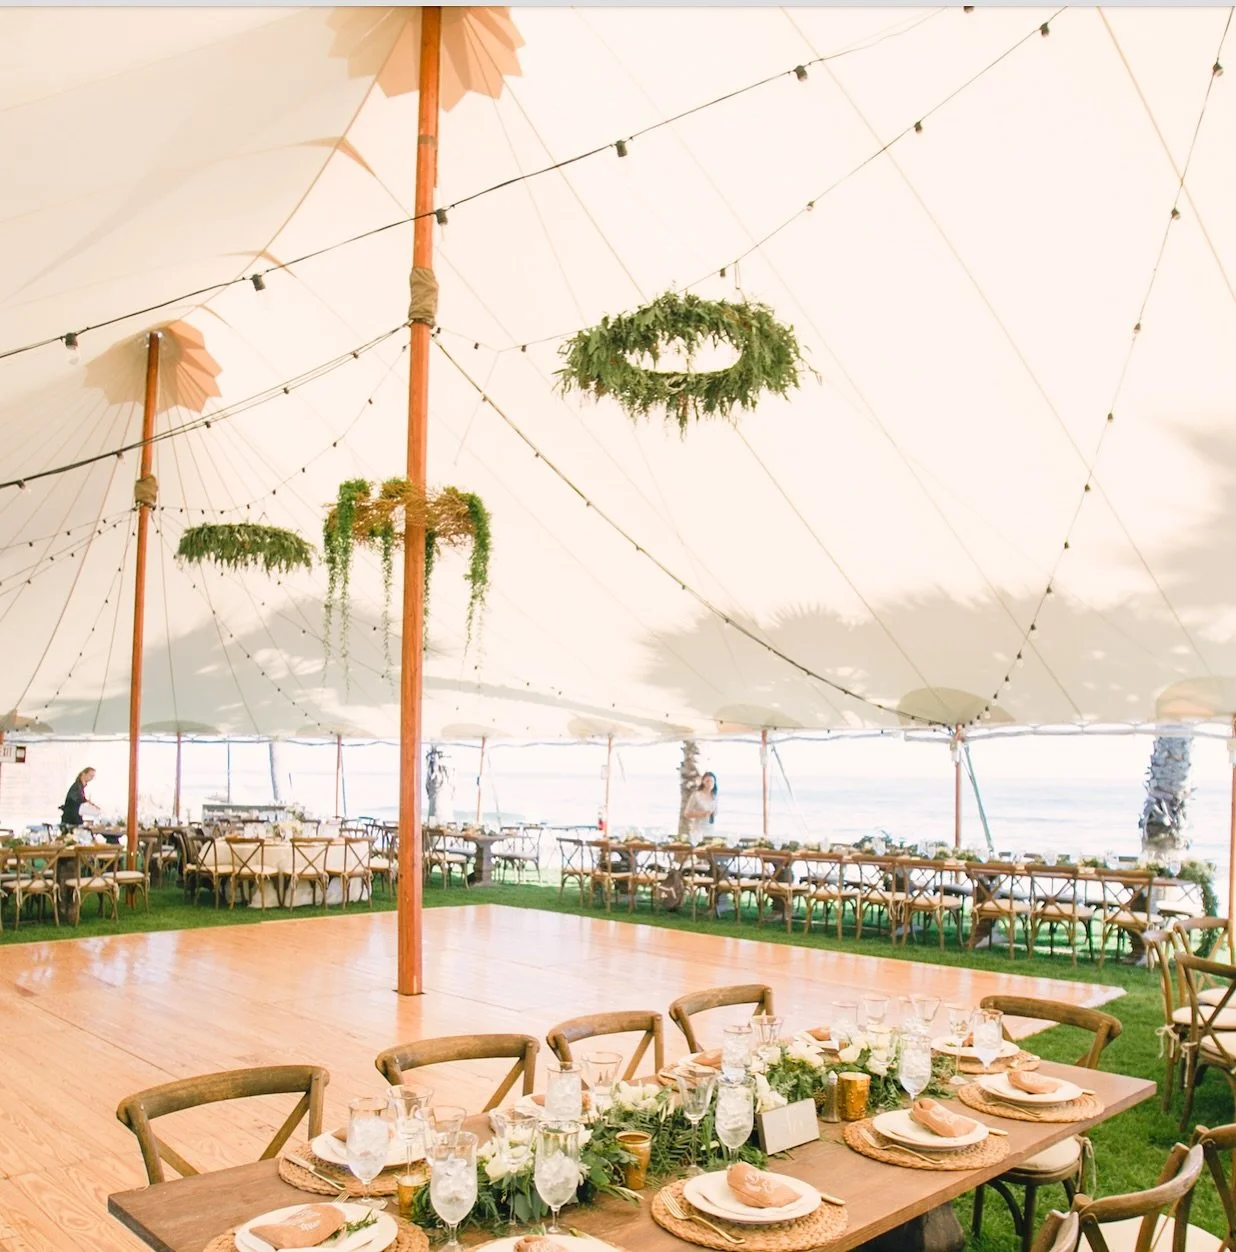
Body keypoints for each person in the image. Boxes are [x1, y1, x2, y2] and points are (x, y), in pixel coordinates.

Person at [60, 767, 99, 832]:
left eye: (93, 776)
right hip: (71, 821)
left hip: (74, 819)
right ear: (83, 774)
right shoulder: (76, 787)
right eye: (90, 775)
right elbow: (77, 800)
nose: (91, 778)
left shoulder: (80, 787)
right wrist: (88, 803)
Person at [683, 771, 718, 842]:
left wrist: (714, 813)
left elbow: (715, 811)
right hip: (698, 829)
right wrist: (702, 814)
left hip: (710, 828)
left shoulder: (714, 796)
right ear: (703, 782)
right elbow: (686, 813)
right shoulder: (696, 795)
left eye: (712, 781)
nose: (710, 783)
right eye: (707, 781)